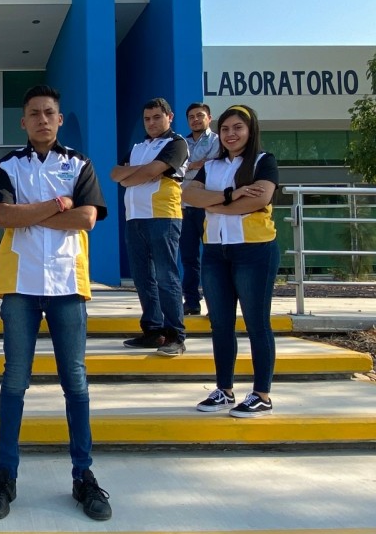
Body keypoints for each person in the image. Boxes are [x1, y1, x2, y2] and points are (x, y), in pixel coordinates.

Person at [0, 85, 111, 522]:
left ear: (59, 119)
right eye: (34, 113)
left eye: (49, 113)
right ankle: (5, 476)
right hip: (20, 285)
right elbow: (3, 217)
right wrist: (58, 204)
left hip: (67, 284)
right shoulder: (8, 165)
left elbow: (87, 218)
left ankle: (83, 476)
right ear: (23, 121)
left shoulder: (79, 163)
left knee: (75, 382)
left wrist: (31, 213)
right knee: (14, 381)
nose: (42, 119)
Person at [182, 105, 280, 417]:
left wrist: (214, 204)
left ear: (250, 130)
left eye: (238, 127)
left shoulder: (264, 162)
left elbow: (259, 199)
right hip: (215, 252)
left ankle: (261, 395)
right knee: (221, 324)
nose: (230, 134)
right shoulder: (211, 165)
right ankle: (224, 390)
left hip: (254, 251)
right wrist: (231, 195)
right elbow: (188, 195)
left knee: (256, 324)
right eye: (225, 129)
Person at [111, 98, 188, 356]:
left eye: (157, 117)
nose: (151, 123)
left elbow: (143, 173)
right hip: (134, 218)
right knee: (143, 278)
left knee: (166, 276)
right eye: (147, 118)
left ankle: (175, 335)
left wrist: (135, 174)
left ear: (170, 117)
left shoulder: (176, 143)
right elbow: (115, 174)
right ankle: (153, 331)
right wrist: (146, 171)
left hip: (163, 216)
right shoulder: (138, 147)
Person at [179, 103, 219, 316]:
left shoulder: (217, 141)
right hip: (184, 208)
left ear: (209, 118)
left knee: (213, 258)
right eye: (191, 117)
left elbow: (212, 166)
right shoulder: (181, 143)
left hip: (207, 207)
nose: (195, 119)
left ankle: (216, 305)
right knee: (189, 259)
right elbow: (174, 169)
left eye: (200, 115)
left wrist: (188, 166)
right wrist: (194, 165)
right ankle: (192, 302)